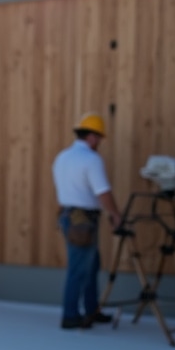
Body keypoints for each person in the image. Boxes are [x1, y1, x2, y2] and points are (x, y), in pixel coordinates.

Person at [51, 113, 123, 329]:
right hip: (83, 221)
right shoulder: (91, 159)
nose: (100, 142)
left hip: (69, 217)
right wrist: (115, 214)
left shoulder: (62, 157)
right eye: (99, 137)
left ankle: (91, 310)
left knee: (90, 265)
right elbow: (103, 192)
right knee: (80, 268)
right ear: (92, 136)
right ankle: (71, 315)